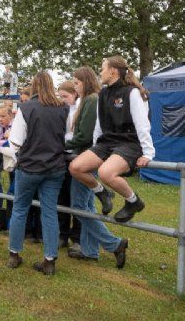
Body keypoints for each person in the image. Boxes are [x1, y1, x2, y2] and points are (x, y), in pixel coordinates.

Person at [69, 55, 155, 223]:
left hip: (129, 142)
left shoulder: (132, 92)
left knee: (105, 172)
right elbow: (99, 125)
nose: (100, 73)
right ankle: (102, 192)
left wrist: (148, 152)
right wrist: (95, 148)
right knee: (75, 167)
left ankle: (133, 201)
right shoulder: (103, 93)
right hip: (107, 142)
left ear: (113, 71)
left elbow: (142, 123)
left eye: (102, 69)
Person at [66, 66, 128, 268]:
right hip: (86, 156)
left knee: (79, 207)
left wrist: (61, 144)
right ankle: (90, 250)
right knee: (86, 206)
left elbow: (84, 135)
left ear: (86, 81)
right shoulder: (90, 99)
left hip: (87, 158)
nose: (75, 87)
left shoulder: (92, 99)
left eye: (76, 83)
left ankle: (114, 244)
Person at [7, 71, 69, 275]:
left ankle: (14, 254)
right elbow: (67, 138)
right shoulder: (64, 108)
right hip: (55, 167)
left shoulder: (25, 108)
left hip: (30, 167)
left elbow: (15, 142)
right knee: (49, 212)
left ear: (34, 86)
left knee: (20, 209)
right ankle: (49, 260)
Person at [57, 81, 81, 249]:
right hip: (62, 156)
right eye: (61, 96)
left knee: (77, 198)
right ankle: (62, 234)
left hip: (77, 156)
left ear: (75, 94)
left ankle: (77, 237)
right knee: (62, 196)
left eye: (65, 96)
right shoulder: (62, 110)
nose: (63, 99)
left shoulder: (81, 108)